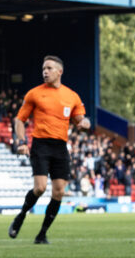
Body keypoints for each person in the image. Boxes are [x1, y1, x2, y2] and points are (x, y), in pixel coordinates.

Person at [8, 55, 90, 244]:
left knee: (59, 192)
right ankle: (21, 216)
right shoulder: (34, 93)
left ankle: (42, 233)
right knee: (40, 188)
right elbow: (20, 119)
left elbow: (80, 121)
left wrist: (85, 122)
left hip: (60, 147)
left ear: (59, 72)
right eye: (44, 68)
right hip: (41, 144)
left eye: (49, 68)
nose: (45, 71)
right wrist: (21, 141)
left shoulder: (72, 96)